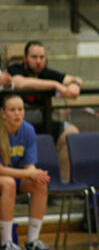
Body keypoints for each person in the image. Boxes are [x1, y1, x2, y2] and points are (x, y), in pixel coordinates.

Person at [7, 41, 82, 183]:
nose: (38, 61)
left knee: (71, 133)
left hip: (44, 121)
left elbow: (75, 79)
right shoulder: (15, 69)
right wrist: (55, 85)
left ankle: (61, 183)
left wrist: (76, 85)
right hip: (19, 126)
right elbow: (20, 83)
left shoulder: (47, 73)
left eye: (42, 57)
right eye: (34, 57)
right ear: (25, 58)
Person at [0, 94, 53, 250]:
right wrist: (28, 173)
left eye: (20, 109)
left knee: (39, 184)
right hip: (4, 176)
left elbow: (30, 165)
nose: (17, 114)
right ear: (3, 113)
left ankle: (32, 242)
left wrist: (37, 174)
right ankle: (6, 243)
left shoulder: (28, 130)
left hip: (14, 175)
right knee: (9, 183)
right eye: (12, 110)